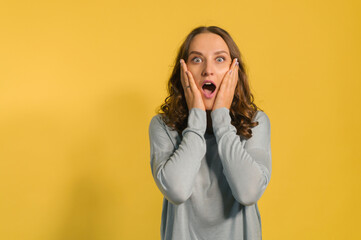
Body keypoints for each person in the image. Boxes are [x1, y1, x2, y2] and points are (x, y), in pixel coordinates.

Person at [148, 26, 272, 240]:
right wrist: (196, 120)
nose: (208, 70)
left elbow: (248, 192)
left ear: (234, 71)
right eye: (197, 60)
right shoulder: (162, 126)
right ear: (183, 71)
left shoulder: (256, 122)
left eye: (220, 59)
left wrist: (221, 119)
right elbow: (177, 191)